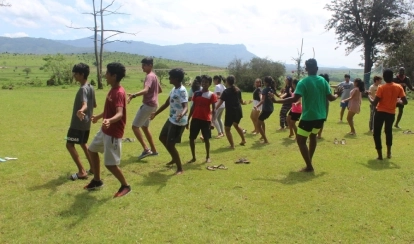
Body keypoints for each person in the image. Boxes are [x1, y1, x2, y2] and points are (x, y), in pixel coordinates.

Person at [271, 59, 342, 172]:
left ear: (306, 69)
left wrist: (276, 101)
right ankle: (309, 162)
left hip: (309, 117)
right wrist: (338, 94)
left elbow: (294, 98)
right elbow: (331, 98)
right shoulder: (323, 81)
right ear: (317, 68)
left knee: (300, 141)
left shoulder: (303, 82)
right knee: (313, 137)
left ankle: (309, 166)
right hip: (321, 117)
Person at [85, 62, 131, 198]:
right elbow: (108, 110)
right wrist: (99, 117)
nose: (105, 75)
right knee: (91, 150)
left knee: (110, 165)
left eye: (107, 73)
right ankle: (97, 181)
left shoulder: (119, 93)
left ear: (114, 76)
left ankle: (126, 186)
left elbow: (119, 113)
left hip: (113, 133)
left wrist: (109, 120)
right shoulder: (112, 89)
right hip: (104, 130)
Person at [150, 68, 188, 175]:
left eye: (170, 77)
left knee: (170, 144)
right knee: (162, 137)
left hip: (178, 121)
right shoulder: (174, 89)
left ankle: (180, 168)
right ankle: (174, 158)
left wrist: (182, 114)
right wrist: (155, 114)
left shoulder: (182, 91)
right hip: (171, 119)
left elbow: (186, 106)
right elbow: (167, 103)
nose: (169, 78)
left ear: (176, 79)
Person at [127, 57, 162, 160]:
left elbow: (146, 90)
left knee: (135, 126)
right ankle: (154, 150)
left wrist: (133, 95)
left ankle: (146, 149)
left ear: (150, 65)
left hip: (148, 105)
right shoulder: (154, 76)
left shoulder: (149, 76)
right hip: (154, 105)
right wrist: (153, 95)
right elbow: (159, 90)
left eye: (144, 65)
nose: (142, 67)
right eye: (142, 65)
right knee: (144, 127)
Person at [66, 63, 96, 180]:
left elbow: (85, 104)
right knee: (83, 143)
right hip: (86, 123)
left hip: (78, 123)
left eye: (76, 74)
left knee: (69, 144)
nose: (74, 76)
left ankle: (82, 172)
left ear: (82, 74)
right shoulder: (91, 87)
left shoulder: (83, 89)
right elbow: (94, 104)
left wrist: (81, 110)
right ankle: (93, 168)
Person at [372, 69, 407, 160]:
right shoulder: (398, 87)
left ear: (384, 77)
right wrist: (396, 102)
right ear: (392, 77)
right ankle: (388, 152)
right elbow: (405, 102)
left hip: (380, 112)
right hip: (391, 113)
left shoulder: (381, 87)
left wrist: (368, 95)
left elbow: (374, 103)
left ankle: (380, 155)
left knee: (377, 133)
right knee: (388, 132)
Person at [186, 75, 217, 163]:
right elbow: (193, 106)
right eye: (203, 82)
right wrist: (188, 119)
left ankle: (207, 156)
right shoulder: (196, 93)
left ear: (209, 84)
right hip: (195, 118)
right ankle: (193, 157)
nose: (204, 83)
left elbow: (214, 109)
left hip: (205, 120)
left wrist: (212, 122)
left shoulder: (212, 95)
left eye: (206, 82)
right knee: (192, 138)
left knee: (206, 139)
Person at [214, 75, 247, 149]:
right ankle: (243, 140)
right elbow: (241, 101)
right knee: (236, 125)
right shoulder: (238, 90)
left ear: (227, 82)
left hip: (230, 112)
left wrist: (214, 109)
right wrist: (244, 102)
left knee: (227, 129)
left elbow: (219, 103)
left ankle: (232, 146)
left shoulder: (226, 91)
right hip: (238, 111)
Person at [254, 76, 275, 144]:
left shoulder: (265, 90)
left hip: (266, 109)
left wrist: (256, 106)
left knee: (258, 124)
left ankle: (265, 140)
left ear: (265, 82)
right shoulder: (271, 89)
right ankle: (263, 136)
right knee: (261, 120)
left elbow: (262, 100)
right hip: (270, 109)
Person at [317, 73, 330, 139]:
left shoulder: (325, 86)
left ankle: (319, 134)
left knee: (321, 119)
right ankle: (318, 133)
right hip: (321, 103)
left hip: (323, 103)